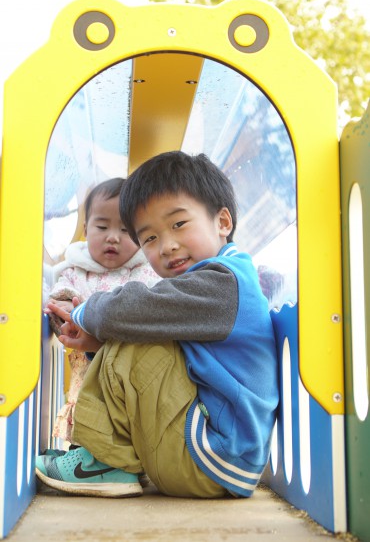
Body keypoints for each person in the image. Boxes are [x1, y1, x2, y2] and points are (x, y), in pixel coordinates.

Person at [37, 151, 279, 500]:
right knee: (137, 327)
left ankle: (104, 461)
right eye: (149, 238)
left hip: (212, 455)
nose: (167, 246)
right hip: (215, 454)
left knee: (134, 322)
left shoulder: (223, 284)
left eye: (179, 224)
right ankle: (109, 461)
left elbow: (132, 311)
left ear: (222, 221)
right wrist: (96, 342)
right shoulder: (220, 281)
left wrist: (81, 313)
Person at [44, 177, 160, 444]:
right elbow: (58, 300)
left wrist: (87, 315)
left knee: (128, 417)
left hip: (128, 371)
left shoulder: (143, 270)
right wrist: (64, 307)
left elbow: (146, 306)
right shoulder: (75, 271)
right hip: (87, 369)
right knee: (86, 411)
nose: (112, 237)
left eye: (125, 230)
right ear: (86, 228)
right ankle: (84, 459)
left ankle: (127, 462)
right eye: (102, 226)